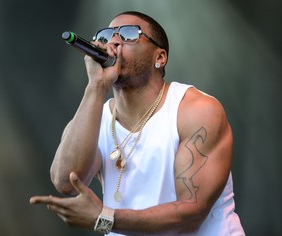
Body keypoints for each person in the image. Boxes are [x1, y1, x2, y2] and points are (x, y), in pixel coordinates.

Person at [30, 11, 245, 235]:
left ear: (159, 57)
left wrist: (105, 218)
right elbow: (66, 181)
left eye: (129, 34)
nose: (113, 42)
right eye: (105, 36)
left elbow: (190, 215)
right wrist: (95, 86)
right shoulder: (95, 117)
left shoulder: (196, 111)